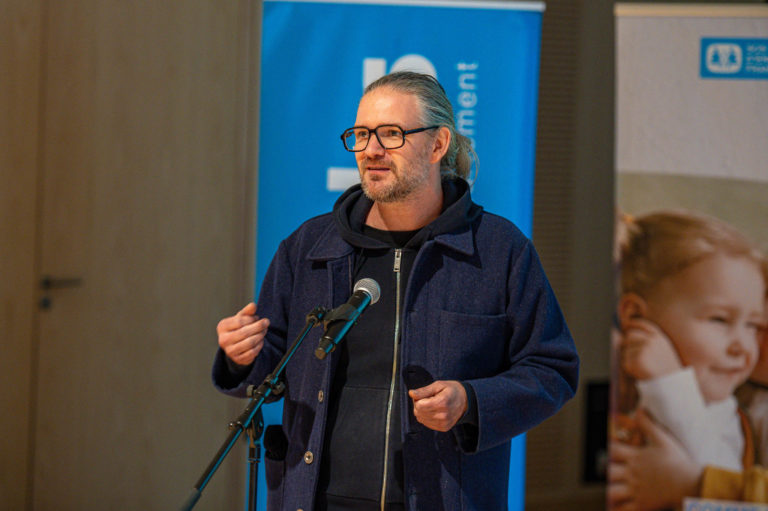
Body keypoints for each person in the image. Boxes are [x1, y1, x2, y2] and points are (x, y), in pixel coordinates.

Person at [212, 71, 579, 511]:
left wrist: (472, 401)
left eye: (391, 134)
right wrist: (240, 356)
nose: (371, 150)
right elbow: (271, 363)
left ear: (438, 144)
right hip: (315, 499)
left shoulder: (498, 251)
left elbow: (552, 368)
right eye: (362, 134)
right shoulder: (309, 248)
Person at [609, 210, 767, 510]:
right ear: (635, 316)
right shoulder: (613, 387)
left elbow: (721, 489)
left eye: (753, 326)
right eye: (720, 320)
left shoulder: (728, 411)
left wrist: (669, 383)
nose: (743, 347)